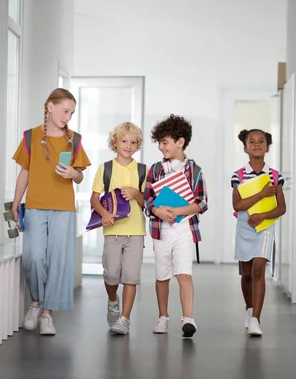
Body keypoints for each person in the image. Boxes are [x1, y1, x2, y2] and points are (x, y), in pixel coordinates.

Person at [11, 88, 91, 336]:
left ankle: (47, 314)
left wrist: (73, 174)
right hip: (35, 206)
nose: (68, 117)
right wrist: (16, 202)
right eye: (65, 111)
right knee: (34, 257)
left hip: (64, 209)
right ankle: (36, 302)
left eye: (72, 113)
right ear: (50, 107)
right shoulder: (30, 137)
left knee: (58, 261)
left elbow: (80, 176)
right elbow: (25, 171)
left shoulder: (74, 140)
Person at [144, 114, 208, 338]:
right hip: (160, 230)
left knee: (184, 274)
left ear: (180, 142)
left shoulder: (195, 171)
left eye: (165, 142)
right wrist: (157, 211)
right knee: (161, 275)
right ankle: (163, 317)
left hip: (184, 230)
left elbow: (201, 203)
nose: (161, 147)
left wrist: (177, 212)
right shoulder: (154, 170)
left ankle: (188, 319)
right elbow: (146, 200)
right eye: (159, 143)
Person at [90, 122, 147, 335]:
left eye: (133, 142)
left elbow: (147, 203)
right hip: (112, 231)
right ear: (115, 142)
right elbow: (94, 198)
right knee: (111, 275)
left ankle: (125, 318)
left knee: (131, 276)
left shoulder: (142, 170)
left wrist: (135, 193)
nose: (129, 146)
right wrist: (104, 214)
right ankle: (113, 300)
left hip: (136, 232)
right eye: (124, 141)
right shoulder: (105, 168)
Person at [231, 128, 286, 336]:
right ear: (245, 148)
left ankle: (256, 319)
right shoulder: (239, 175)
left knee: (258, 269)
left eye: (261, 141)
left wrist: (263, 216)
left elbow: (281, 208)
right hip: (244, 227)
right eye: (251, 142)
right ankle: (249, 309)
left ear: (267, 147)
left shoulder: (274, 176)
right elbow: (237, 205)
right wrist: (262, 193)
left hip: (265, 226)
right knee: (246, 273)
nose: (256, 145)